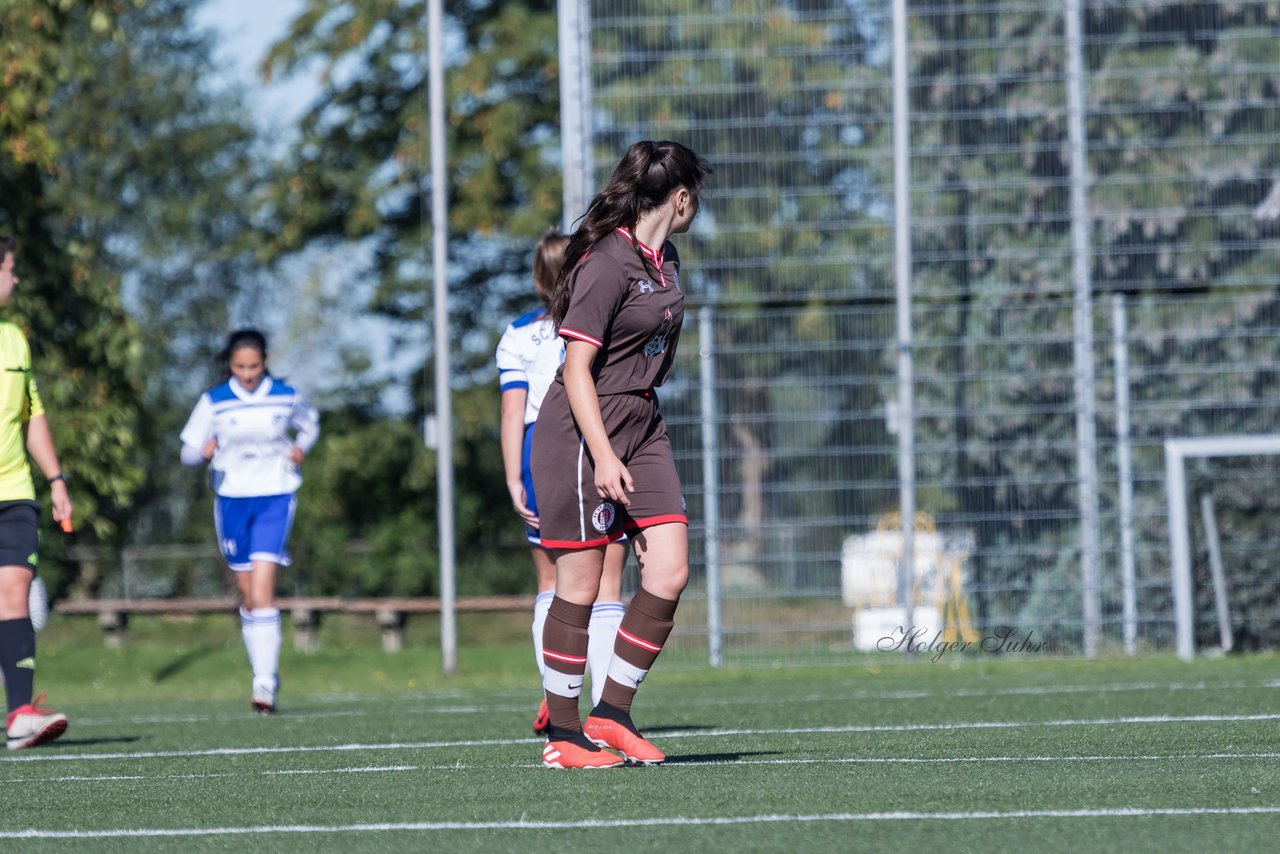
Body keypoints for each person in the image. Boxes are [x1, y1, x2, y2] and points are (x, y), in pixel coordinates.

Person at [530, 140, 711, 769]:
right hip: (584, 429)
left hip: (643, 420)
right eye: (698, 196)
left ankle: (612, 714)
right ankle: (563, 735)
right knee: (578, 583)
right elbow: (575, 367)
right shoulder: (607, 262)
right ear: (681, 197)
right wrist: (604, 457)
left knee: (669, 570)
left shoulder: (666, 259)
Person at [496, 230, 628, 736]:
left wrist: (514, 475)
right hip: (599, 444)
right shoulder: (604, 321)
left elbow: (513, 412)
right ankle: (605, 707)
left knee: (551, 582)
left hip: (539, 453)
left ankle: (557, 690)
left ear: (537, 277)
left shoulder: (517, 334)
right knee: (607, 583)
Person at [180, 329, 319, 714]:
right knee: (247, 595)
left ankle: (265, 684)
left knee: (263, 592)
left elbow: (311, 424)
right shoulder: (215, 401)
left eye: (254, 365)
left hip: (275, 495)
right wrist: (202, 451)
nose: (247, 373)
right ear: (230, 364)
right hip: (231, 501)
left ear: (265, 361)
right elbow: (188, 452)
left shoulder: (285, 396)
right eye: (240, 366)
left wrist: (300, 449)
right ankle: (262, 669)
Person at [0, 235, 72, 749]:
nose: (16, 279)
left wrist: (57, 480)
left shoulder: (15, 340)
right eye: (9, 269)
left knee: (14, 596)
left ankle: (20, 713)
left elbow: (33, 416)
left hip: (14, 490)